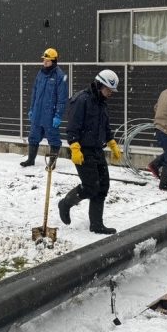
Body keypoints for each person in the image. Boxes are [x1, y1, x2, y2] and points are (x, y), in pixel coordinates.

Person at [57, 69, 123, 234]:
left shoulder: (101, 102)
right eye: (109, 89)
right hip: (83, 150)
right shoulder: (81, 100)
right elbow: (72, 126)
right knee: (90, 187)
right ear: (100, 85)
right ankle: (65, 203)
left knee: (103, 187)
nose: (110, 93)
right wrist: (75, 147)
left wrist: (112, 143)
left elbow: (105, 126)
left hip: (97, 149)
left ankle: (96, 224)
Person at [20, 48, 69, 168]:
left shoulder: (60, 76)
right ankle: (31, 160)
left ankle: (52, 163)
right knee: (33, 137)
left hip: (50, 114)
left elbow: (62, 98)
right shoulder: (40, 73)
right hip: (37, 113)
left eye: (47, 60)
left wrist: (58, 115)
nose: (45, 62)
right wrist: (32, 109)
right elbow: (35, 92)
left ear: (54, 61)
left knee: (53, 139)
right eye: (44, 60)